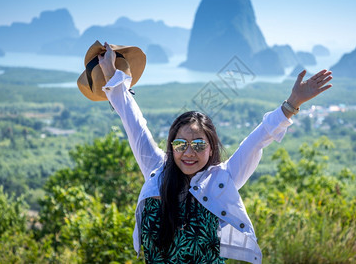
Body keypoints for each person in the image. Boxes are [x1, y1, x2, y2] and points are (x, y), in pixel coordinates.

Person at [98, 42, 332, 263]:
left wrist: (292, 103)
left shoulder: (223, 179)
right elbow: (133, 123)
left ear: (211, 150)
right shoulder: (156, 171)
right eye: (180, 144)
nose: (189, 152)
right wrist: (111, 74)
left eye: (199, 144)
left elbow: (258, 138)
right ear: (172, 147)